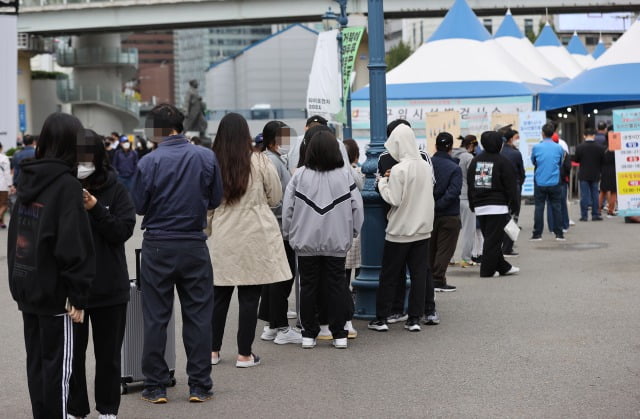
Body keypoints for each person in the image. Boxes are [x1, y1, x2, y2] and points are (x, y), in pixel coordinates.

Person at [131, 103, 223, 404]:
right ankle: (199, 385)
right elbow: (216, 198)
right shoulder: (206, 157)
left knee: (156, 316)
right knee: (198, 316)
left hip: (158, 245)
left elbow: (139, 206)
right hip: (194, 243)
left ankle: (156, 386)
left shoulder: (148, 161)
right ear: (181, 127)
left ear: (156, 130)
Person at [7, 112, 95, 419]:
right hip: (57, 296)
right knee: (59, 372)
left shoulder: (28, 181)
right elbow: (72, 246)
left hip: (28, 290)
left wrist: (17, 285)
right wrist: (79, 294)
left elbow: (16, 237)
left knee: (38, 368)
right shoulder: (67, 187)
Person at [209, 113, 291, 365]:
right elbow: (276, 196)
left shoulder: (212, 162)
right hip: (255, 233)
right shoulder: (260, 161)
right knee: (249, 296)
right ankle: (244, 353)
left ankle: (212, 351)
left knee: (219, 296)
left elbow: (206, 203)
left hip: (223, 233)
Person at [67, 130, 136, 419]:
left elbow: (122, 231)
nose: (83, 161)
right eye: (77, 155)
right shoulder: (63, 188)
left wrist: (96, 209)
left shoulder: (115, 188)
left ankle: (108, 409)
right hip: (72, 289)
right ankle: (75, 409)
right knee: (74, 357)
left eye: (88, 154)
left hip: (110, 287)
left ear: (98, 155)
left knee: (108, 356)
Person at [282, 130, 363, 349]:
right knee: (337, 286)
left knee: (307, 287)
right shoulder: (345, 175)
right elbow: (357, 207)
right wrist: (353, 232)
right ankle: (339, 335)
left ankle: (309, 334)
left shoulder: (299, 175)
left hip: (305, 241)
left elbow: (288, 208)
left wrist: (288, 233)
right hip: (337, 241)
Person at [369, 124, 435, 333]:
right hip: (423, 229)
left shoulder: (399, 169)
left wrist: (381, 182)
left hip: (399, 231)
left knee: (389, 275)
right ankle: (414, 319)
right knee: (418, 275)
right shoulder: (425, 165)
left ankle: (382, 318)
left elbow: (393, 198)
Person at [256, 120, 302, 345]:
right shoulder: (272, 161)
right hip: (278, 225)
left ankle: (271, 325)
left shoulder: (269, 159)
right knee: (283, 277)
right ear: (273, 140)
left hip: (273, 226)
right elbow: (276, 198)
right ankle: (281, 327)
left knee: (274, 277)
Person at [467, 131, 519, 277]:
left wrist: (473, 204)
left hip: (480, 206)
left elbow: (471, 184)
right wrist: (514, 204)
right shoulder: (502, 161)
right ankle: (487, 270)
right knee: (493, 240)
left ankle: (503, 267)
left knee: (491, 238)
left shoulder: (475, 161)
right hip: (497, 206)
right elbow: (510, 186)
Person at [430, 132, 462, 294]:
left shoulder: (427, 164)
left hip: (429, 214)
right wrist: (440, 205)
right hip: (449, 214)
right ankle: (438, 279)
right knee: (445, 249)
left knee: (431, 247)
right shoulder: (454, 168)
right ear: (451, 147)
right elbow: (453, 192)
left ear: (436, 146)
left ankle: (429, 279)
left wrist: (432, 206)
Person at [342, 138, 364, 337]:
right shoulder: (353, 173)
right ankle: (346, 319)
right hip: (349, 232)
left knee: (337, 277)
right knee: (346, 276)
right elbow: (360, 190)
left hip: (328, 234)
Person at [530, 123, 566, 241]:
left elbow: (534, 161)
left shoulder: (536, 147)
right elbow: (560, 163)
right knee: (557, 207)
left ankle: (537, 234)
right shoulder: (559, 148)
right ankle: (559, 234)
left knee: (539, 207)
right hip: (555, 181)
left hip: (540, 181)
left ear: (542, 133)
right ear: (553, 134)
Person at [452, 135, 478, 267]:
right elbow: (474, 178)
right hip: (466, 197)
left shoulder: (452, 154)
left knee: (452, 230)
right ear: (472, 146)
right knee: (469, 230)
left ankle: (449, 258)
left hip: (453, 197)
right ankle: (466, 258)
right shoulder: (469, 158)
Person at [500, 129, 525, 256]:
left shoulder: (500, 151)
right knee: (513, 216)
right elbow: (522, 173)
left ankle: (500, 244)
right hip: (514, 187)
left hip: (500, 188)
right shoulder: (516, 153)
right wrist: (519, 184)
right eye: (516, 137)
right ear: (511, 139)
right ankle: (508, 247)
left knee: (501, 216)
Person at [574, 128, 605, 221]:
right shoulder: (600, 147)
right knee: (595, 194)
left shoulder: (579, 147)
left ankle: (584, 216)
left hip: (583, 173)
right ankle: (595, 214)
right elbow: (603, 161)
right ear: (594, 135)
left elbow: (576, 160)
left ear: (584, 135)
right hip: (595, 173)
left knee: (584, 195)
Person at [599, 139, 617, 217]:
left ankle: (598, 210)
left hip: (604, 172)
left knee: (603, 191)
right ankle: (611, 210)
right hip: (614, 171)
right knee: (613, 191)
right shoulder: (617, 150)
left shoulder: (603, 149)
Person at [0, 142, 11, 228]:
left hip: (2, 184)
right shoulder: (4, 158)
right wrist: (10, 185)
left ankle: (2, 222)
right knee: (4, 204)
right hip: (2, 185)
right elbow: (7, 173)